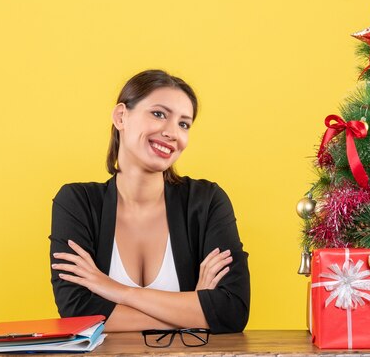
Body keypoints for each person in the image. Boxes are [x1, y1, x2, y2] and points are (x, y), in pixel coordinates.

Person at [49, 70, 250, 334]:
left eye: (184, 124)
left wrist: (118, 292)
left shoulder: (207, 201)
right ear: (121, 116)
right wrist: (193, 310)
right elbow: (77, 314)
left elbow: (231, 310)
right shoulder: (77, 203)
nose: (172, 133)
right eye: (159, 114)